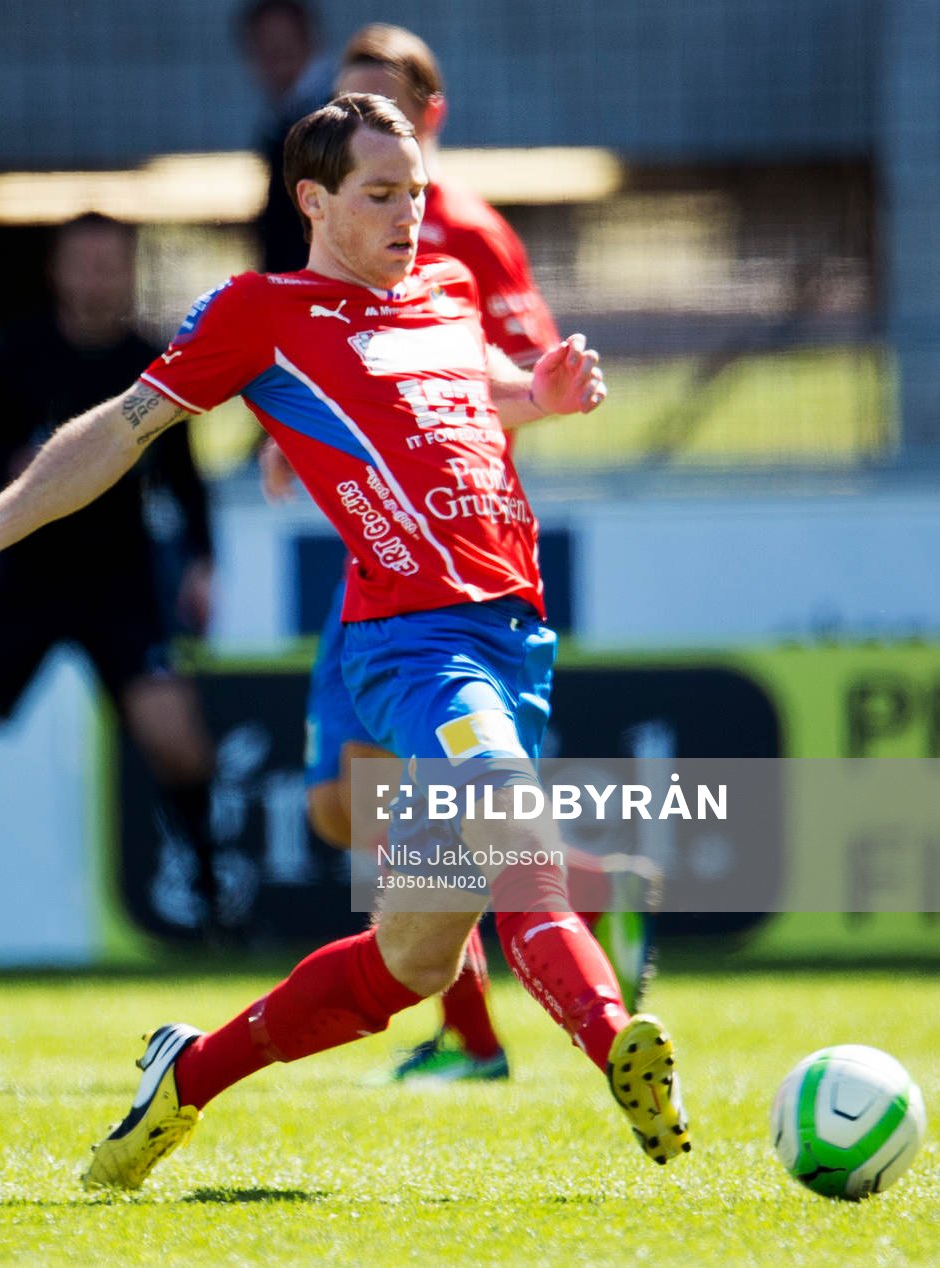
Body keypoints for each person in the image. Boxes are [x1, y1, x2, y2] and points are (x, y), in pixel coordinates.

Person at [0, 94, 691, 1191]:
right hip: (416, 645)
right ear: (314, 201)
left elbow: (476, 394)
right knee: (524, 844)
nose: (410, 215)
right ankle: (620, 1047)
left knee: (411, 960)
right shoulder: (263, 311)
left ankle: (188, 1076)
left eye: (414, 193)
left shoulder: (449, 292)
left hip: (515, 637)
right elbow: (123, 427)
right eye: (380, 195)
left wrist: (539, 394)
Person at [260, 22, 657, 1086]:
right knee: (352, 803)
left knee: (412, 801)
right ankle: (572, 914)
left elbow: (507, 375)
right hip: (374, 554)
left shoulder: (464, 236)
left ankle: (486, 1024)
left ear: (430, 118)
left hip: (452, 571)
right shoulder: (330, 256)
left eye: (383, 106)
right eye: (342, 110)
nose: (363, 140)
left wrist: (530, 400)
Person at [0, 212, 225, 953]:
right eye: (83, 264)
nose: (96, 279)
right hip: (25, 581)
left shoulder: (153, 363)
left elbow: (186, 479)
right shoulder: (11, 358)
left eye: (110, 266)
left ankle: (219, 915)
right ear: (58, 271)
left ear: (127, 273)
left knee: (181, 747)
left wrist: (199, 560)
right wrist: (4, 465)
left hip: (122, 582)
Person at [236, 0, 333, 273]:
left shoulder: (330, 114)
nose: (274, 56)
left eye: (283, 45)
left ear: (309, 41)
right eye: (264, 47)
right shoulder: (280, 115)